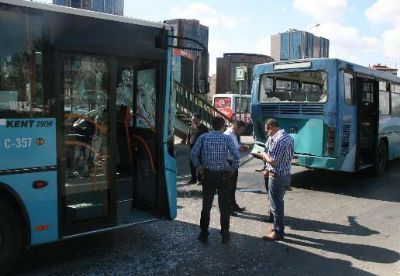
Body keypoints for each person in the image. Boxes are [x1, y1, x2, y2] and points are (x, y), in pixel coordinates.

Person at [190, 116, 240, 244]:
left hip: (208, 175)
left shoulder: (204, 137)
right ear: (223, 126)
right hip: (223, 176)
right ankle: (225, 233)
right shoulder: (226, 138)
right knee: (224, 206)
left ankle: (204, 232)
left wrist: (199, 166)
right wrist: (232, 168)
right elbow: (236, 155)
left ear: (212, 125)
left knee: (206, 205)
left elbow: (193, 154)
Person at [259, 118, 294, 241]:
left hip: (277, 176)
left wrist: (263, 155)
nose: (267, 133)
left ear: (271, 128)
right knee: (278, 202)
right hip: (286, 174)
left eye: (267, 131)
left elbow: (273, 162)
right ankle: (276, 227)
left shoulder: (278, 141)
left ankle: (278, 232)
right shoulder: (288, 137)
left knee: (276, 205)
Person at [224, 120, 248, 213]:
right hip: (229, 163)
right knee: (229, 187)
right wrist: (239, 149)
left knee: (232, 186)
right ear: (236, 127)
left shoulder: (233, 134)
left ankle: (233, 205)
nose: (241, 132)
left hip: (233, 162)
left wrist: (240, 147)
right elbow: (228, 151)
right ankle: (228, 208)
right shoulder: (228, 134)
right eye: (241, 130)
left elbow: (234, 147)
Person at [187, 113, 208, 184]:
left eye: (194, 119)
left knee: (200, 163)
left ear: (199, 119)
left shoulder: (204, 128)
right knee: (191, 163)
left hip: (200, 149)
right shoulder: (191, 127)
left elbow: (206, 139)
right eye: (192, 119)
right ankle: (193, 179)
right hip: (192, 148)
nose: (193, 120)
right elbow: (189, 135)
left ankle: (200, 179)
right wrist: (187, 140)